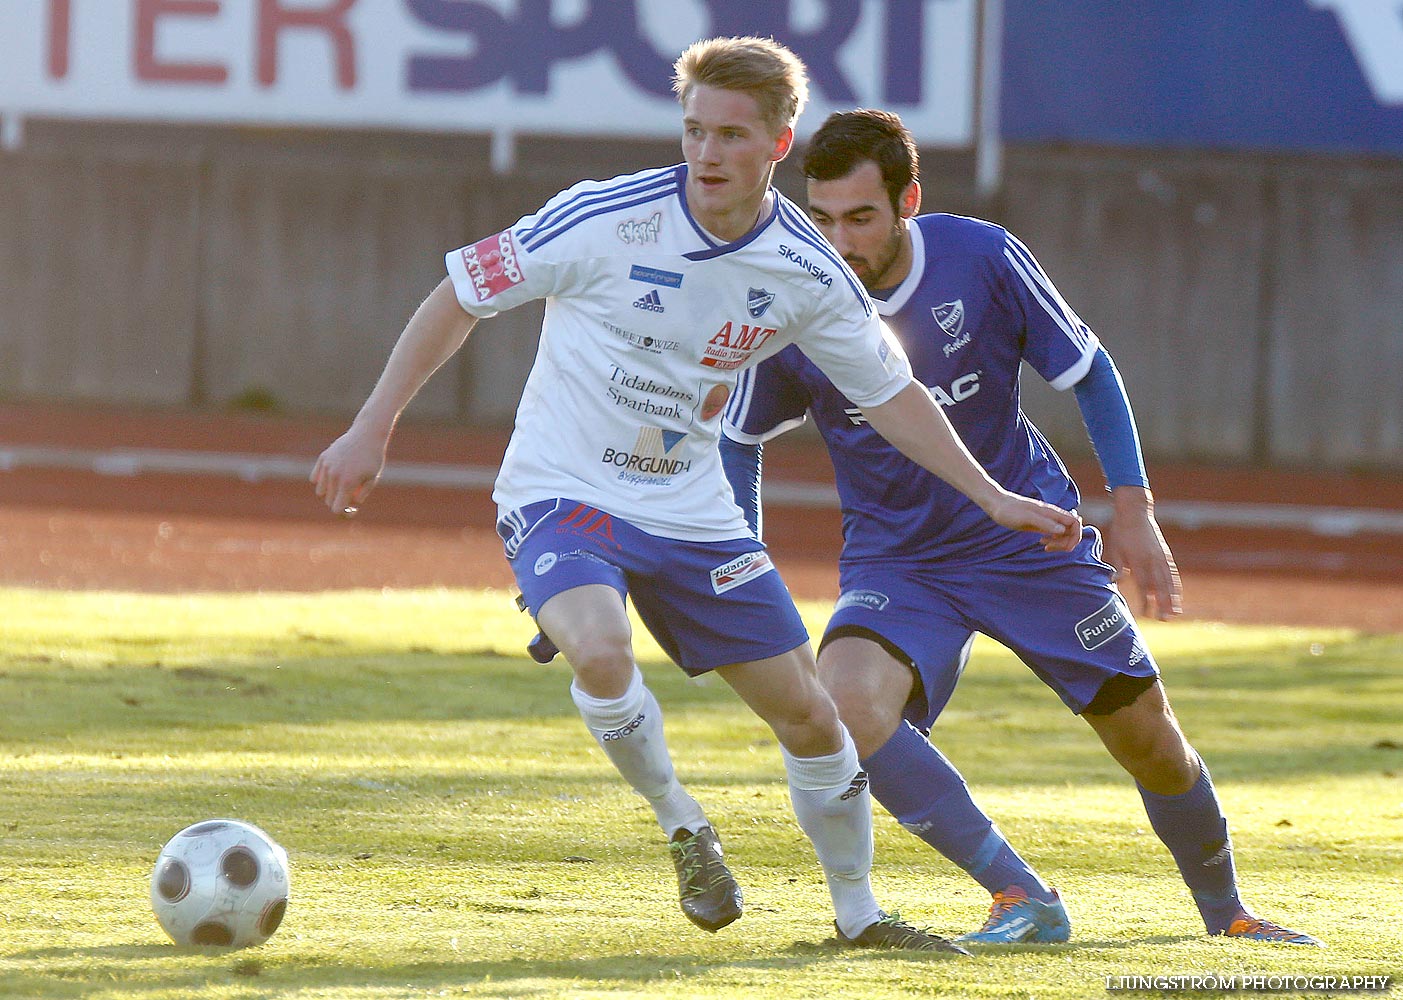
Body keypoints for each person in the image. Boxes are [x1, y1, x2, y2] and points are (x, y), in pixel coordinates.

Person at [311, 39, 1081, 951]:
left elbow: (890, 394)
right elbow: (459, 295)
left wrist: (992, 496)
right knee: (598, 649)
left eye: (729, 135)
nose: (705, 154)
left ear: (778, 142)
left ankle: (858, 918)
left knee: (810, 715)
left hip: (690, 508)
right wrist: (373, 426)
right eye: (692, 132)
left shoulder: (806, 267)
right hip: (564, 486)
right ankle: (684, 825)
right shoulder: (604, 217)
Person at [720, 109, 1321, 947]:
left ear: (907, 204)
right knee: (844, 708)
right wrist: (740, 560)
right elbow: (737, 436)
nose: (839, 242)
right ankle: (1021, 893)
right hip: (898, 563)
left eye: (860, 218)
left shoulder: (982, 258)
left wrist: (1133, 510)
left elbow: (1089, 371)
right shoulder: (795, 301)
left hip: (1028, 541)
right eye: (820, 219)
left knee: (1148, 742)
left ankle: (1228, 913)